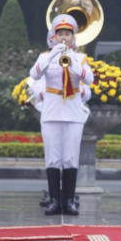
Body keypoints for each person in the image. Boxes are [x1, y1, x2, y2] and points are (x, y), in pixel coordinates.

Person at [29, 14, 94, 216]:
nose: (64, 37)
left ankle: (69, 201)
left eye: (67, 34)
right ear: (54, 37)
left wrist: (72, 62)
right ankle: (54, 201)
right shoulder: (44, 57)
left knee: (71, 158)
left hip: (73, 112)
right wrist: (51, 55)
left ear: (73, 37)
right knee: (53, 158)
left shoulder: (80, 58)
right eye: (60, 34)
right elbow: (34, 75)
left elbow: (90, 79)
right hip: (51, 110)